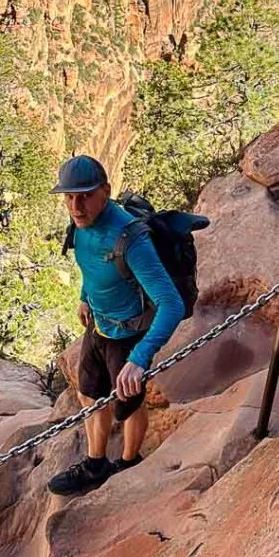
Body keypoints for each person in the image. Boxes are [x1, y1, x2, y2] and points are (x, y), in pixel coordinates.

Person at [47, 155, 185, 496]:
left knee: (129, 405)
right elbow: (90, 268)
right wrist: (84, 296)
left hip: (128, 334)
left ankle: (128, 461)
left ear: (105, 192)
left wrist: (139, 358)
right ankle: (96, 464)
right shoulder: (80, 227)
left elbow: (171, 304)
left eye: (85, 196)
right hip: (98, 325)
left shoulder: (130, 240)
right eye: (69, 197)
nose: (76, 206)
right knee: (89, 393)